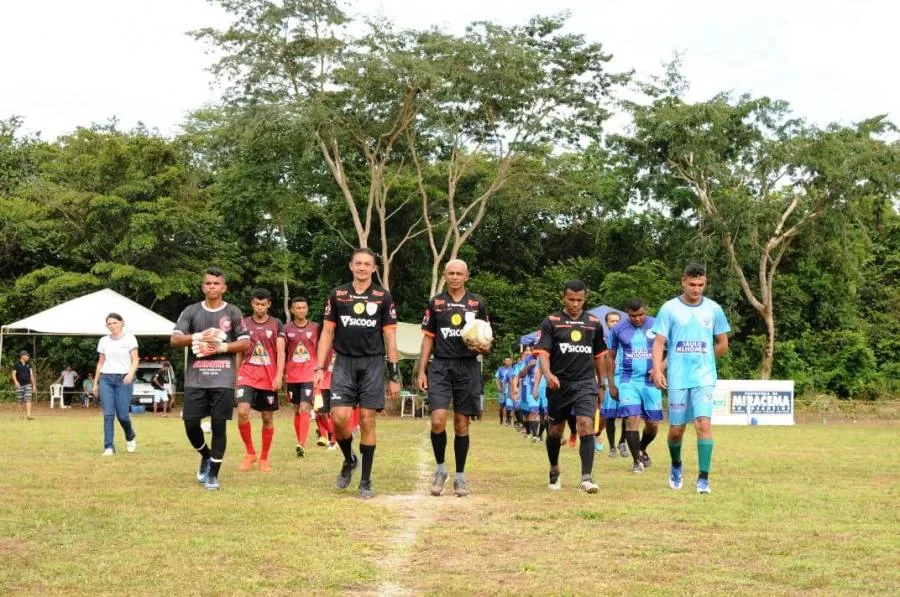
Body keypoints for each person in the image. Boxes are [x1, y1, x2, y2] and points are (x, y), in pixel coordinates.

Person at [314, 248, 401, 499]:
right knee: (339, 419)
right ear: (351, 266)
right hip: (343, 363)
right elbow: (327, 333)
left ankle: (365, 481)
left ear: (374, 268)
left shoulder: (383, 296)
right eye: (358, 263)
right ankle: (349, 459)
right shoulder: (338, 294)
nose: (362, 268)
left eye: (367, 264)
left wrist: (394, 374)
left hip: (372, 364)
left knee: (367, 419)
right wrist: (319, 367)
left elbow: (390, 336)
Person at [651, 263, 731, 494]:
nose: (696, 289)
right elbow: (658, 343)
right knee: (677, 430)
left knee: (703, 423)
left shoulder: (714, 309)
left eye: (701, 285)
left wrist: (707, 360)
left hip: (704, 377)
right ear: (683, 281)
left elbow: (722, 343)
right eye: (692, 284)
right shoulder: (669, 308)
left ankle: (703, 478)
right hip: (677, 377)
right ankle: (676, 464)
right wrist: (658, 370)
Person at [170, 267, 251, 491]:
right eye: (208, 283)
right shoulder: (191, 311)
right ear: (202, 287)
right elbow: (175, 339)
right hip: (196, 378)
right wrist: (198, 337)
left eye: (216, 284)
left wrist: (221, 346)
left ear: (224, 287)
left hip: (223, 378)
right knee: (190, 423)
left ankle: (213, 475)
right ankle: (206, 455)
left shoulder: (233, 311)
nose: (212, 287)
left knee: (218, 425)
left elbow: (245, 343)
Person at [417, 259, 490, 498]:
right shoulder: (436, 303)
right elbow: (428, 338)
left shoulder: (477, 303)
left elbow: (487, 337)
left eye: (459, 273)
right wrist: (421, 370)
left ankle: (460, 476)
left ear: (466, 276)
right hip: (440, 366)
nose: (455, 277)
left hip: (467, 367)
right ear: (445, 275)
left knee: (461, 424)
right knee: (438, 420)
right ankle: (440, 470)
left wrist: (483, 347)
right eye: (451, 273)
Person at [533, 280, 607, 493]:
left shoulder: (594, 323)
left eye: (579, 300)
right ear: (563, 297)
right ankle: (554, 468)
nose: (575, 304)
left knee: (585, 424)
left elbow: (599, 356)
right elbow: (543, 354)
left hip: (585, 383)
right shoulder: (551, 322)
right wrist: (548, 374)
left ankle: (586, 478)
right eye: (571, 299)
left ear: (585, 299)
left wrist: (601, 384)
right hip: (559, 384)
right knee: (555, 431)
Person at [607, 298, 664, 473]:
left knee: (652, 424)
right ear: (627, 313)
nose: (637, 319)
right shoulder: (618, 329)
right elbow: (610, 357)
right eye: (633, 316)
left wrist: (659, 369)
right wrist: (611, 384)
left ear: (646, 310)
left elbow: (672, 350)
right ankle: (636, 461)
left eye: (641, 315)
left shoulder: (657, 324)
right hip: (628, 381)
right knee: (632, 419)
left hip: (651, 382)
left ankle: (642, 448)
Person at [235, 288, 286, 473]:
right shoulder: (244, 324)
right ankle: (250, 453)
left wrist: (279, 375)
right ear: (252, 304)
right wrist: (236, 376)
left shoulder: (276, 324)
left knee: (267, 417)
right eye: (256, 304)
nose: (259, 307)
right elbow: (239, 352)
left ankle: (264, 458)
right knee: (242, 411)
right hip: (247, 374)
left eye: (263, 304)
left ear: (269, 304)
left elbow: (281, 352)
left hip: (268, 377)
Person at [92, 313, 139, 456]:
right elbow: (100, 363)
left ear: (121, 322)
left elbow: (135, 359)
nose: (112, 326)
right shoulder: (103, 341)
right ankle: (109, 447)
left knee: (123, 416)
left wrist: (131, 374)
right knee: (108, 414)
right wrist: (95, 383)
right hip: (106, 379)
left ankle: (130, 435)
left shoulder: (130, 338)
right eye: (109, 324)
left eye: (114, 323)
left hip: (123, 380)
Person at [284, 296, 321, 458]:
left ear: (307, 309)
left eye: (304, 307)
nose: (301, 310)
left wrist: (320, 370)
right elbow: (283, 351)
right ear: (292, 310)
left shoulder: (315, 327)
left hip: (309, 374)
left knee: (305, 407)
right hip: (292, 376)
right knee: (296, 410)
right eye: (298, 308)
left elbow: (322, 348)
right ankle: (299, 439)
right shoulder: (286, 329)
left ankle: (301, 444)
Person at [600, 311, 627, 458]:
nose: (615, 323)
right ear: (607, 323)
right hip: (609, 379)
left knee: (627, 413)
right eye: (612, 321)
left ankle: (622, 442)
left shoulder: (626, 337)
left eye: (618, 321)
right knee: (610, 415)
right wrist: (601, 382)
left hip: (625, 378)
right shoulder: (602, 341)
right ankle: (611, 446)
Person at [12, 350, 37, 420]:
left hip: (28, 385)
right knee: (20, 401)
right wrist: (16, 382)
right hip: (19, 385)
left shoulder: (29, 365)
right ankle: (21, 416)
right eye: (27, 355)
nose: (28, 357)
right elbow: (13, 374)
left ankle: (29, 415)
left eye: (28, 356)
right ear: (22, 356)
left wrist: (34, 385)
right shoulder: (16, 364)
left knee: (28, 399)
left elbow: (31, 375)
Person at [494, 357, 514, 426]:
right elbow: (497, 378)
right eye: (506, 360)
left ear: (511, 362)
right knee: (501, 406)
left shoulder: (513, 369)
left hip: (510, 389)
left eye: (509, 360)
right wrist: (498, 386)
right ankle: (501, 419)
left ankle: (508, 420)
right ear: (504, 361)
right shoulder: (500, 369)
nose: (508, 361)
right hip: (502, 389)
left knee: (509, 406)